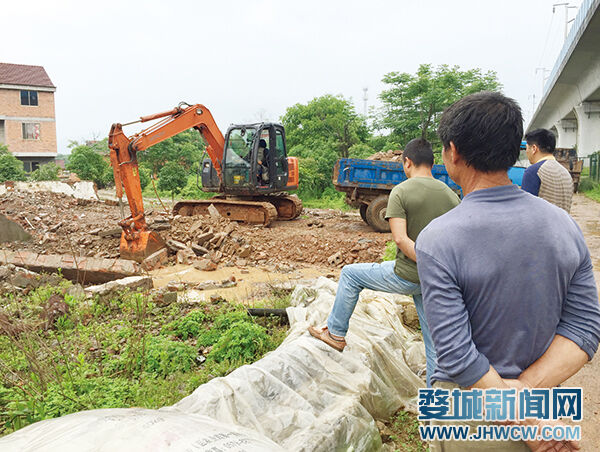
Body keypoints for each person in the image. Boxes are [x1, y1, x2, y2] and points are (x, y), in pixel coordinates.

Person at [416, 91, 600, 451]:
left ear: (453, 152)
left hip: (473, 413)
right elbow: (585, 326)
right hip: (547, 406)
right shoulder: (564, 225)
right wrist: (529, 399)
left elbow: (455, 354)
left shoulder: (438, 238)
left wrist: (520, 413)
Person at [308, 138, 460, 387]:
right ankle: (436, 396)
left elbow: (400, 239)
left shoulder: (401, 191)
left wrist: (426, 263)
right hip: (436, 281)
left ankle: (335, 333)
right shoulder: (450, 195)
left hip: (407, 274)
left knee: (350, 274)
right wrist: (438, 269)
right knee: (432, 341)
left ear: (407, 162)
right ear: (432, 163)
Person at [521, 128, 573, 212]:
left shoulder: (533, 172)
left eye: (527, 148)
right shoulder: (565, 172)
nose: (526, 151)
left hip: (542, 225)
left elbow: (525, 210)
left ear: (534, 148)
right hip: (563, 224)